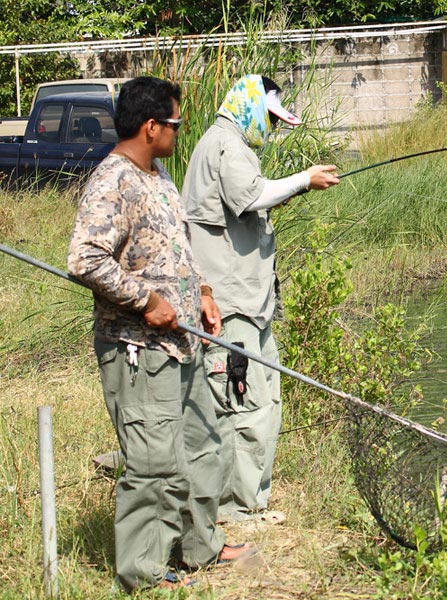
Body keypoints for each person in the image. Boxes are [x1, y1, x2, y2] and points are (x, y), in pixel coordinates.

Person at [68, 76, 254, 592]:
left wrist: (205, 293)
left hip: (185, 340)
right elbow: (84, 259)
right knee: (153, 463)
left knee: (201, 448)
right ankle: (144, 571)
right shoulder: (113, 181)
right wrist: (146, 301)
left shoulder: (159, 174)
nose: (179, 130)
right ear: (151, 127)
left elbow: (178, 249)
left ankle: (200, 546)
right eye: (174, 122)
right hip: (139, 351)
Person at [182, 74, 340, 524]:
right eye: (269, 119)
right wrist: (303, 180)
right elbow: (252, 194)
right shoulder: (225, 145)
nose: (271, 128)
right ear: (248, 105)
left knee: (267, 402)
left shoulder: (235, 146)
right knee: (242, 405)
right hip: (229, 306)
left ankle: (253, 501)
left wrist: (291, 189)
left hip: (254, 305)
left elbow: (249, 201)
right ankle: (235, 511)